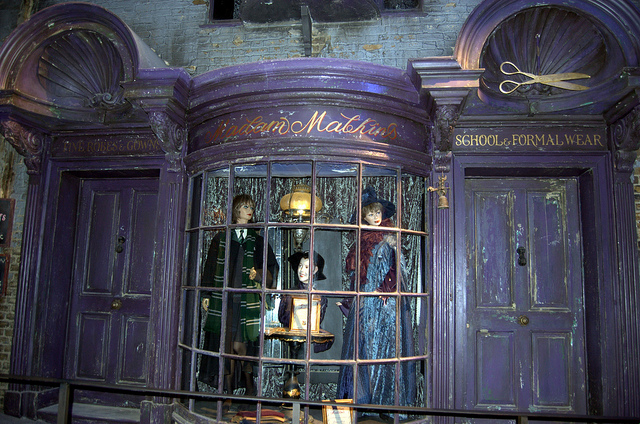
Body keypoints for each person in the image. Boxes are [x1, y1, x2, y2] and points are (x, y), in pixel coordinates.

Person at [337, 186, 416, 408]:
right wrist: (350, 300)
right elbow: (357, 277)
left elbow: (397, 267)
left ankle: (388, 404)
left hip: (385, 303)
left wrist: (386, 288)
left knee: (386, 348)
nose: (375, 217)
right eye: (370, 214)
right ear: (364, 217)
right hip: (365, 302)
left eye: (378, 212)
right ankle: (362, 403)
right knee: (362, 348)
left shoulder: (390, 237)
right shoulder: (360, 243)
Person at [199, 194, 278, 395]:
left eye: (251, 206)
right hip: (224, 302)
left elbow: (271, 266)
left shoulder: (258, 240)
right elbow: (210, 266)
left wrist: (259, 275)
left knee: (242, 347)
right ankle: (227, 393)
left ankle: (249, 389)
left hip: (247, 302)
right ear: (236, 210)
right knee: (226, 348)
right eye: (245, 206)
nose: (250, 210)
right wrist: (207, 293)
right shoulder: (222, 238)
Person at [278, 251, 333, 353]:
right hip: (292, 340)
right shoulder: (289, 294)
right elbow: (281, 317)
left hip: (309, 342)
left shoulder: (319, 297)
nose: (302, 270)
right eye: (300, 266)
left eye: (307, 267)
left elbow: (318, 319)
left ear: (315, 270)